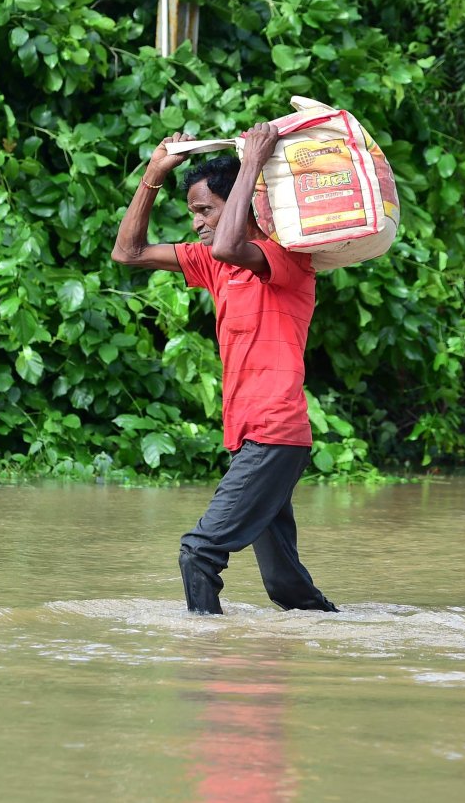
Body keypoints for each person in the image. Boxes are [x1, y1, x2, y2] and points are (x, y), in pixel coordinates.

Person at [111, 123, 340, 616]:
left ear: (239, 200)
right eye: (193, 212)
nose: (196, 222)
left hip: (274, 434)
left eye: (204, 210)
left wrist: (252, 163)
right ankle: (345, 642)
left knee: (199, 552)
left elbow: (231, 245)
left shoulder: (285, 259)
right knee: (286, 586)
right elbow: (127, 253)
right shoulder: (217, 266)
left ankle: (204, 650)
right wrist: (153, 174)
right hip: (249, 439)